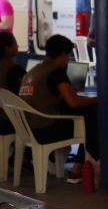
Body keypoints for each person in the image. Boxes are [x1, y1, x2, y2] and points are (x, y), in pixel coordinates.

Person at [19, 34, 98, 184]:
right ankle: (78, 167)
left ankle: (78, 165)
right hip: (46, 130)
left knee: (84, 113)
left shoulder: (33, 71)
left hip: (28, 129)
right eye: (68, 56)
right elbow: (73, 102)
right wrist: (99, 99)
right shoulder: (56, 72)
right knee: (91, 115)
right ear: (63, 54)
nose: (68, 60)